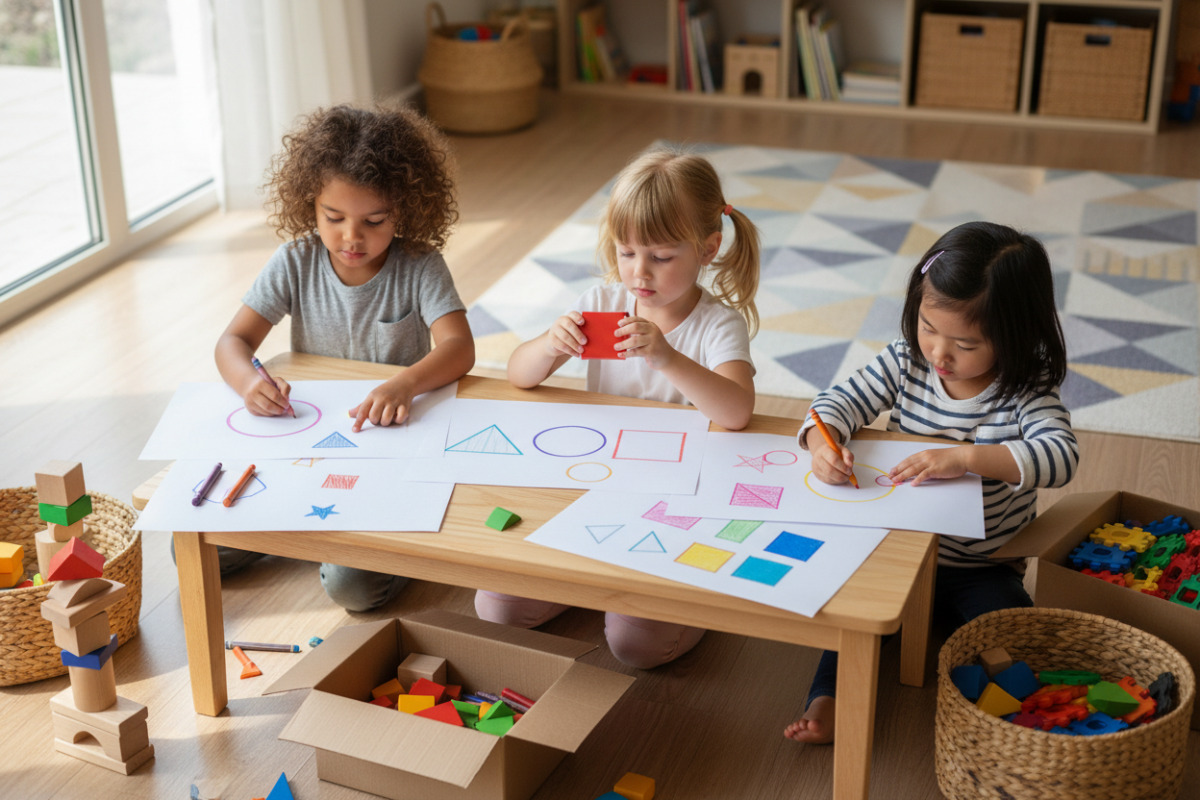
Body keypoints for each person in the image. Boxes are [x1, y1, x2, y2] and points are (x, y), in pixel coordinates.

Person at [784, 220, 1078, 744]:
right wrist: (820, 443)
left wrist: (967, 458)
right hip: (895, 553)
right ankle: (828, 702)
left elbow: (1060, 457)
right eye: (927, 327)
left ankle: (1015, 728)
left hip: (982, 566)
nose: (939, 353)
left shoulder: (1025, 389)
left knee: (1013, 638)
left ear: (1015, 334)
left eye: (965, 343)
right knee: (854, 626)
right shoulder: (906, 360)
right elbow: (836, 402)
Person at [474, 145, 760, 669]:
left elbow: (737, 410)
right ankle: (592, 581)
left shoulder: (718, 324)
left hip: (677, 499)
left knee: (635, 646)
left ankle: (700, 602)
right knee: (496, 607)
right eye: (626, 252)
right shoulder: (602, 303)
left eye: (661, 257)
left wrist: (667, 357)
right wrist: (550, 345)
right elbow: (519, 375)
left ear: (708, 249)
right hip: (597, 485)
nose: (638, 273)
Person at [212, 103, 475, 611]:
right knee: (201, 549)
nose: (351, 237)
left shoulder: (420, 265)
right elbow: (232, 342)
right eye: (333, 218)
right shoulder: (295, 261)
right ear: (309, 205)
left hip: (387, 447)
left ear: (406, 210)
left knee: (353, 588)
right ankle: (306, 529)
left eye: (374, 221)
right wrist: (248, 383)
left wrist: (405, 383)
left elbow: (459, 347)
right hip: (306, 446)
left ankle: (357, 545)